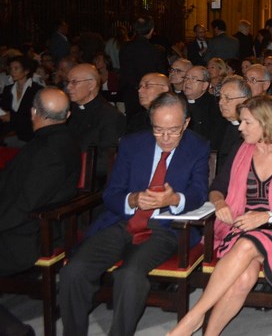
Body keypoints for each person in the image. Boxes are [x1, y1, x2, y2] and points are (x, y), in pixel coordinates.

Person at [168, 95, 272, 335]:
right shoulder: (240, 152)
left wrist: (264, 217)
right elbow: (216, 188)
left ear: (266, 122)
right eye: (241, 122)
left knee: (247, 244)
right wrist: (220, 204)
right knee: (243, 279)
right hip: (240, 227)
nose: (240, 127)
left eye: (247, 122)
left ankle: (192, 319)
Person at [59, 92, 209, 336]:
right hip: (123, 222)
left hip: (165, 228)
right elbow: (112, 193)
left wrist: (174, 199)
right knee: (73, 271)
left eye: (173, 130)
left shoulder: (197, 146)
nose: (166, 138)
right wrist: (132, 199)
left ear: (186, 123)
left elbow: (199, 192)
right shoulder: (132, 144)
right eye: (158, 129)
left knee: (129, 275)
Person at [0, 88, 81, 275]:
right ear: (67, 115)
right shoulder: (57, 140)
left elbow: (25, 204)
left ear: (33, 112)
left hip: (27, 237)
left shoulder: (50, 149)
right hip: (24, 224)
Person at [65, 63, 125, 180]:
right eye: (68, 82)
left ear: (91, 84)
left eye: (74, 82)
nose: (68, 87)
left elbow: (107, 161)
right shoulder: (67, 110)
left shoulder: (110, 116)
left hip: (89, 181)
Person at [119, 16, 168, 118]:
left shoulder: (125, 48)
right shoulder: (156, 51)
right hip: (151, 95)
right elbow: (163, 75)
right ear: (151, 31)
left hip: (130, 94)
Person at [0, 55, 41, 146]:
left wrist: (12, 118)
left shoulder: (36, 90)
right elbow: (4, 111)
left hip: (29, 136)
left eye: (16, 68)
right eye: (11, 69)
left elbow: (36, 116)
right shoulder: (8, 89)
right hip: (8, 134)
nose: (12, 72)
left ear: (26, 70)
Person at [213, 75, 251, 164]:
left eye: (227, 98)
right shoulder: (217, 124)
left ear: (244, 100)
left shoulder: (252, 131)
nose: (221, 102)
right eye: (220, 97)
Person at [182, 65, 222, 143]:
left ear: (204, 85)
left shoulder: (215, 106)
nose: (187, 82)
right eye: (186, 78)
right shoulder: (177, 102)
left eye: (193, 79)